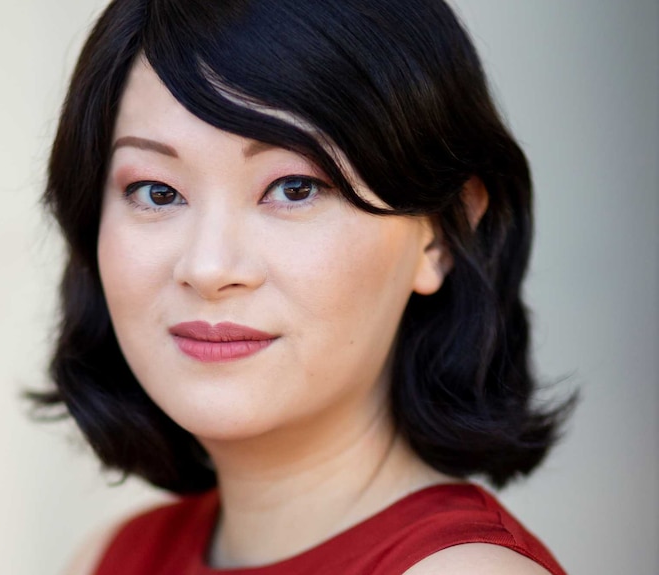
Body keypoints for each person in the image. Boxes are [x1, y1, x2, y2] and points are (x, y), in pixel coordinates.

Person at [32, 0, 574, 573]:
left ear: (442, 233)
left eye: (294, 187)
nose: (210, 267)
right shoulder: (111, 558)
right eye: (157, 192)